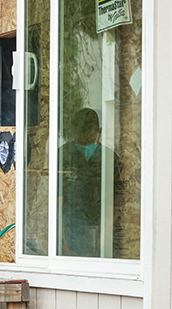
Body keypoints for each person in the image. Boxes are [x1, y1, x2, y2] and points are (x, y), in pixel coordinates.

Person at [59, 107, 117, 257]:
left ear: (100, 132)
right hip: (69, 231)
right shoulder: (63, 155)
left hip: (102, 233)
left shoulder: (109, 158)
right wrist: (61, 244)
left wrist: (100, 246)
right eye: (80, 133)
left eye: (89, 134)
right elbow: (56, 204)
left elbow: (114, 208)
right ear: (72, 131)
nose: (85, 138)